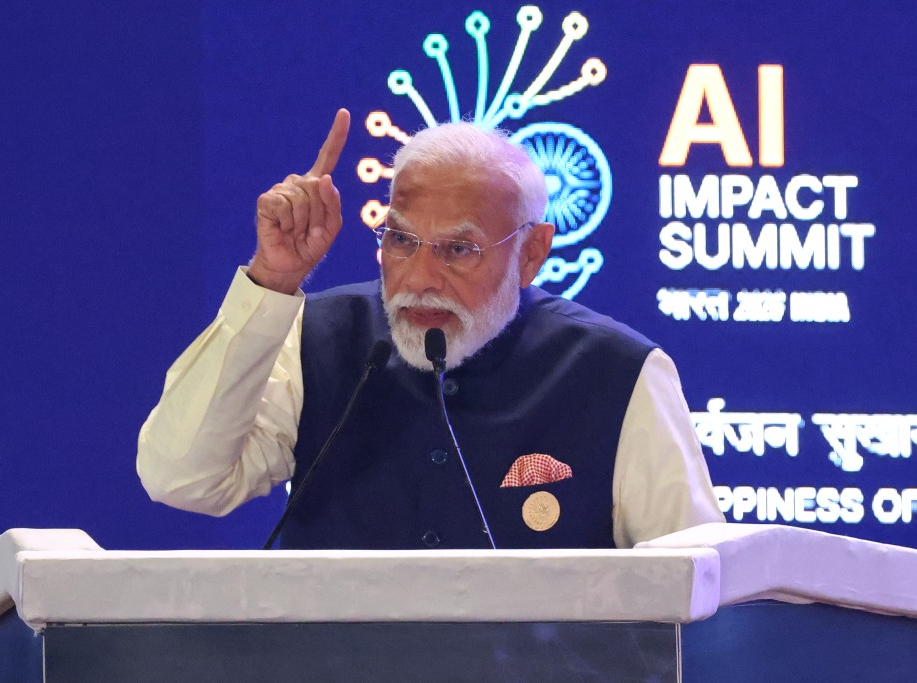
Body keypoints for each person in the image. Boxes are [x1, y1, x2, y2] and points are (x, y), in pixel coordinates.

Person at [137, 109, 724, 549]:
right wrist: (272, 281)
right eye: (401, 239)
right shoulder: (319, 336)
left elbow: (695, 587)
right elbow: (182, 478)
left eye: (459, 248)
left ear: (531, 252)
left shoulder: (618, 374)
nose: (420, 277)